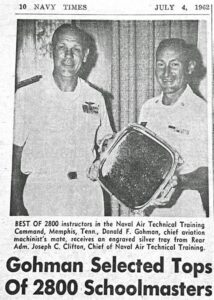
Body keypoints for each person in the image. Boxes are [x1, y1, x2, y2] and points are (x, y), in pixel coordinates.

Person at [11, 23, 113, 216]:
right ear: (52, 51)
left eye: (76, 49)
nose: (68, 55)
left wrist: (104, 154)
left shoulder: (96, 98)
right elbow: (14, 156)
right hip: (43, 196)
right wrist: (16, 205)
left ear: (85, 55)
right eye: (62, 48)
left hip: (87, 197)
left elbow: (106, 143)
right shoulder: (27, 95)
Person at [139, 38, 208, 217]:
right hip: (148, 211)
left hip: (184, 213)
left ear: (190, 67)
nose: (166, 73)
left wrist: (179, 180)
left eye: (174, 64)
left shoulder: (202, 111)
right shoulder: (148, 108)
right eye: (161, 64)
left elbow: (208, 172)